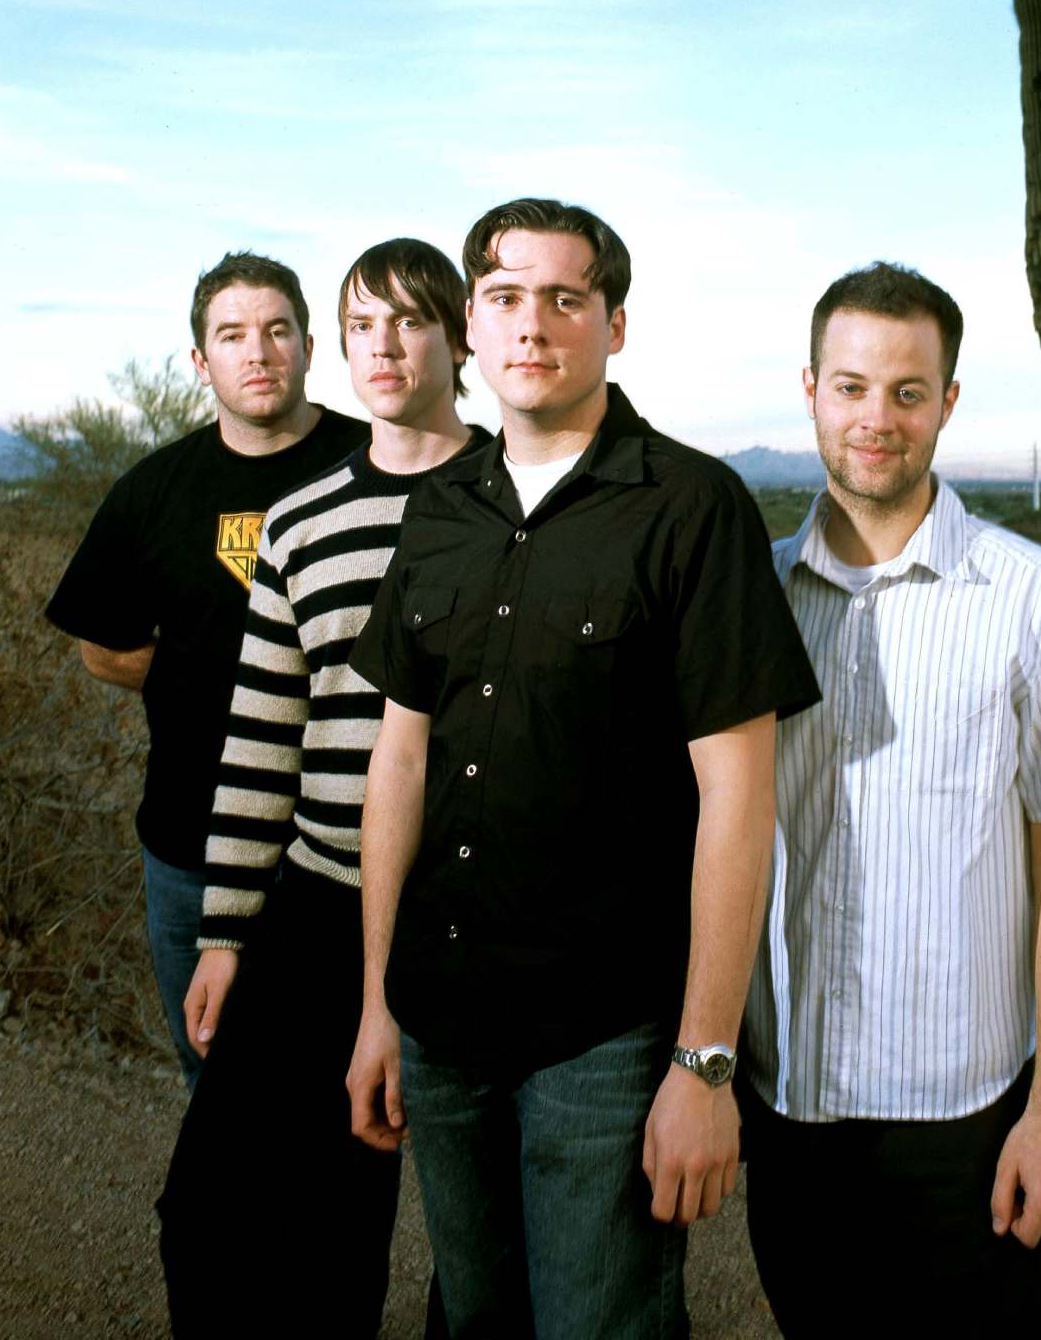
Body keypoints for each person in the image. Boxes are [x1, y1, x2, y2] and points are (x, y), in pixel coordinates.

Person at [346, 197, 820, 1340]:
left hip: (603, 1036)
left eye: (567, 297)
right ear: (472, 322)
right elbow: (399, 759)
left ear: (615, 324)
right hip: (441, 1017)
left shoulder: (692, 506)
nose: (533, 323)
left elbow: (739, 799)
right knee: (475, 1315)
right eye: (506, 296)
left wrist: (705, 1059)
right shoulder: (441, 507)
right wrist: (376, 1004)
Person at [740, 262, 1041, 1338]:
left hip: (965, 1126)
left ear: (948, 402)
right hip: (790, 1108)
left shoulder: (1033, 598)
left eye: (908, 391)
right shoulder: (752, 599)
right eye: (851, 386)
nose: (876, 417)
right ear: (812, 391)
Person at [157, 237, 482, 1337]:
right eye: (361, 325)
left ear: (460, 338)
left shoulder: (518, 500)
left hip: (477, 911)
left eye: (411, 319)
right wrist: (223, 934)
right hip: (324, 897)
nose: (384, 345)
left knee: (477, 1237)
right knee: (220, 1214)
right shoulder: (300, 522)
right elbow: (262, 738)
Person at [44, 252, 366, 1083]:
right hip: (191, 845)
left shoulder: (376, 463)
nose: (257, 352)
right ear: (199, 360)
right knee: (216, 1086)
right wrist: (209, 682)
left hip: (349, 853)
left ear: (309, 347)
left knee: (353, 1099)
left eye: (277, 330)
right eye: (231, 335)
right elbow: (100, 642)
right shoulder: (154, 490)